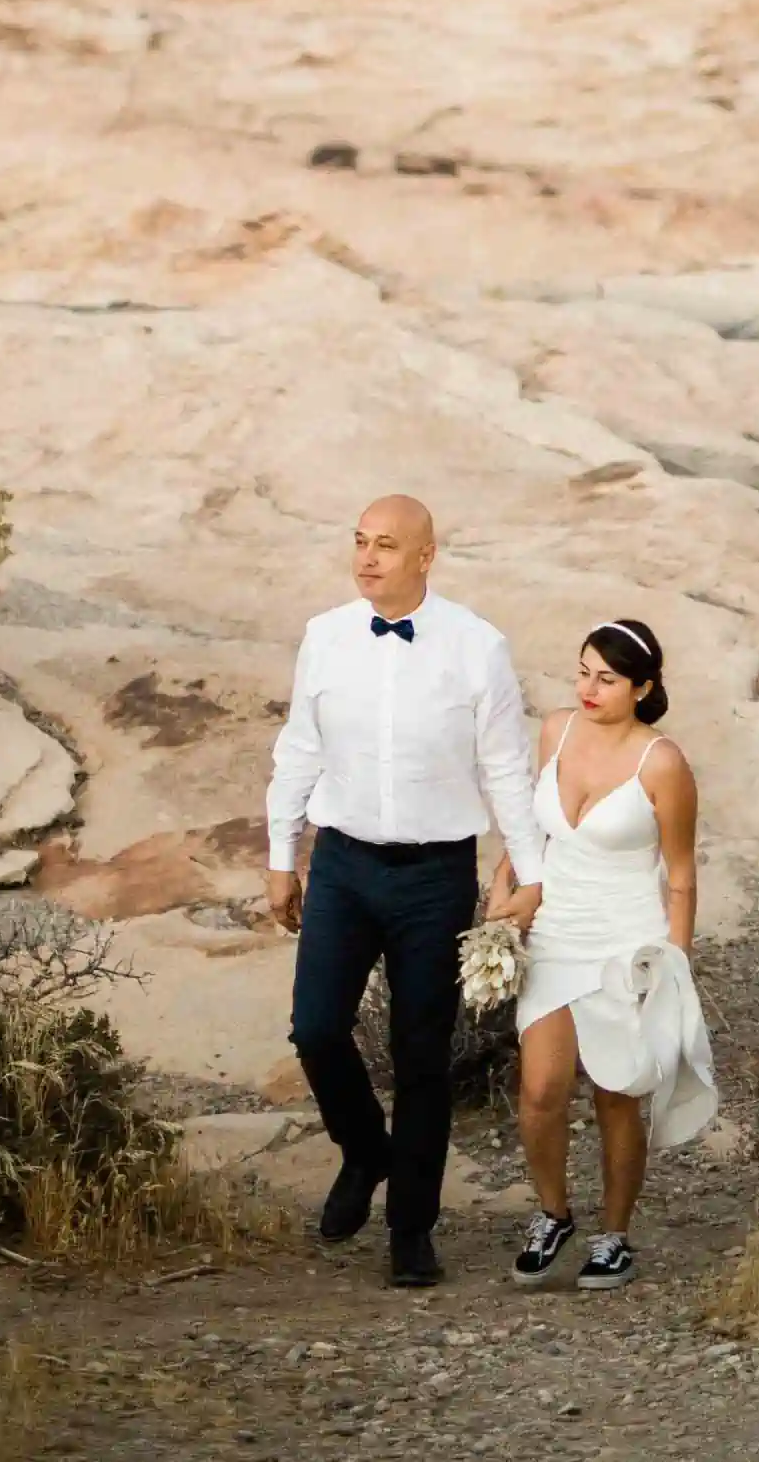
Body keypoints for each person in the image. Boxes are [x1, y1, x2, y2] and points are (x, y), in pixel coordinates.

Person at [265, 492, 546, 1290]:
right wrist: (281, 854)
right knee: (316, 1029)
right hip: (344, 864)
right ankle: (364, 1151)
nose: (366, 558)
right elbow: (299, 747)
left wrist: (532, 875)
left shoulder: (477, 646)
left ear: (426, 555)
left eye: (385, 545)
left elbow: (505, 769)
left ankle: (411, 1229)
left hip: (435, 873)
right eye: (359, 542)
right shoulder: (324, 637)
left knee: (423, 1056)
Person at [487, 614, 715, 1289]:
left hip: (626, 940)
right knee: (540, 1090)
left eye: (607, 679)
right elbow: (530, 826)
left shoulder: (662, 762)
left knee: (617, 1094)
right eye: (583, 672)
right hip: (556, 932)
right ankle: (553, 1213)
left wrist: (673, 966)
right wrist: (507, 882)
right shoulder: (556, 730)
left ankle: (615, 1236)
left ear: (642, 688)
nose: (589, 689)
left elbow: (680, 875)